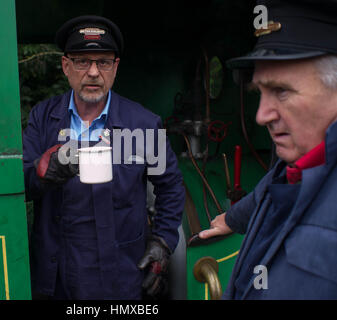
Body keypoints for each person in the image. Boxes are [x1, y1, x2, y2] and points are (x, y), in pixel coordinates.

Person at [22, 15, 185, 300]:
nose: (93, 72)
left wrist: (163, 241)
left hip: (120, 275)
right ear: (66, 66)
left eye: (103, 62)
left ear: (115, 68)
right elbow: (20, 183)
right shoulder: (43, 119)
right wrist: (43, 172)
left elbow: (170, 186)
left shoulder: (143, 124)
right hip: (56, 274)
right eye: (83, 61)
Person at [199, 0, 337, 299]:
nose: (261, 116)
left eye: (282, 91)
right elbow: (271, 189)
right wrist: (232, 219)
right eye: (260, 92)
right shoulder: (296, 164)